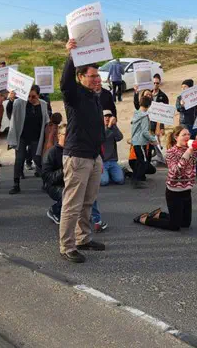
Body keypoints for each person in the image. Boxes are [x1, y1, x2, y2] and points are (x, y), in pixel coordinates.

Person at [58, 38, 106, 263]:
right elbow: (64, 84)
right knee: (72, 204)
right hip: (77, 157)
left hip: (93, 157)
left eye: (98, 76)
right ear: (80, 77)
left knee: (88, 202)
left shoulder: (94, 96)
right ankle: (67, 246)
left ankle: (83, 238)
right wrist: (71, 56)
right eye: (92, 76)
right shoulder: (74, 95)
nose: (97, 79)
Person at [134, 126, 197, 231]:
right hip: (174, 192)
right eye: (184, 134)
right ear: (176, 137)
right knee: (174, 226)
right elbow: (176, 171)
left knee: (185, 224)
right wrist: (188, 153)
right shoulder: (171, 152)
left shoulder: (191, 149)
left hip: (187, 191)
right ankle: (144, 219)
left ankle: (160, 215)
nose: (187, 136)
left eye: (188, 134)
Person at [42, 124, 107, 232]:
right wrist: (65, 169)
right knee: (69, 195)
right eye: (66, 135)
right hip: (56, 185)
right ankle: (55, 210)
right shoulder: (51, 153)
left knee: (89, 192)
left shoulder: (76, 151)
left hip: (74, 181)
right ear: (59, 135)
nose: (69, 138)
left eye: (71, 135)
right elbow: (47, 177)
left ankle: (96, 220)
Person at [5, 84, 49, 194]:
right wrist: (11, 100)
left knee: (38, 159)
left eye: (33, 96)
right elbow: (10, 110)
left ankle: (46, 183)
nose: (30, 99)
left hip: (36, 137)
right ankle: (16, 184)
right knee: (19, 159)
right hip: (22, 137)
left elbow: (47, 120)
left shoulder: (44, 104)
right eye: (28, 96)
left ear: (38, 95)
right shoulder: (20, 102)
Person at [175, 79, 197, 177]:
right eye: (182, 87)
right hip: (185, 125)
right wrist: (182, 105)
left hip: (196, 124)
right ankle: (184, 170)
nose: (183, 88)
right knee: (185, 148)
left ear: (190, 88)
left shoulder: (195, 96)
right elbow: (178, 108)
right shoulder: (180, 97)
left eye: (185, 87)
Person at [130, 93, 157, 189]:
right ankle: (138, 180)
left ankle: (135, 177)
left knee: (139, 160)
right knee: (143, 161)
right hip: (141, 142)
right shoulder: (144, 116)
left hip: (135, 141)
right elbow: (145, 132)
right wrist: (153, 139)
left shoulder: (136, 114)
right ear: (149, 105)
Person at [100, 110, 124, 186]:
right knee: (104, 182)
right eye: (105, 116)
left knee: (120, 180)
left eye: (109, 116)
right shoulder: (98, 128)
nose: (107, 118)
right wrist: (109, 127)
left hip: (112, 161)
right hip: (102, 162)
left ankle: (111, 174)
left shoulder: (113, 128)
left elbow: (120, 137)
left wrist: (114, 126)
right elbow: (102, 138)